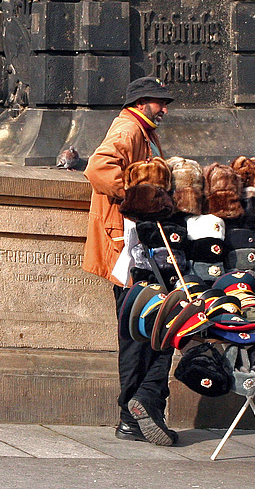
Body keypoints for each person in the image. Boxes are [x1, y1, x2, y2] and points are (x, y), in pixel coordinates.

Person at [83, 76, 177, 447]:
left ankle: (142, 408)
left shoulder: (142, 129)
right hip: (127, 250)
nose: (165, 109)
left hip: (137, 249)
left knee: (150, 331)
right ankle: (135, 412)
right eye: (159, 102)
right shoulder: (128, 128)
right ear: (141, 102)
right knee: (142, 334)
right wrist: (136, 198)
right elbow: (97, 168)